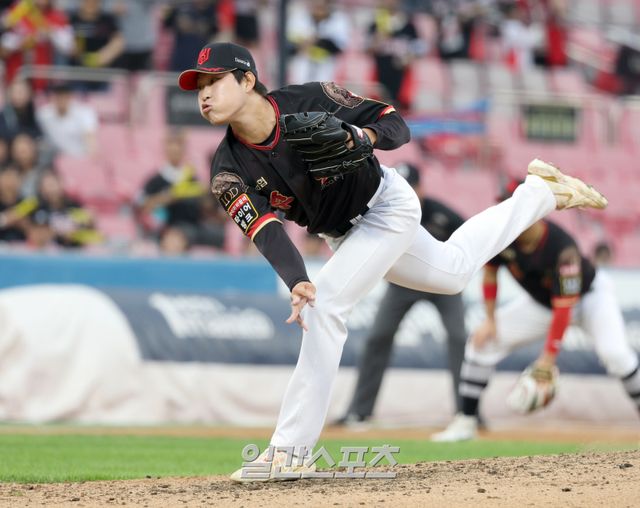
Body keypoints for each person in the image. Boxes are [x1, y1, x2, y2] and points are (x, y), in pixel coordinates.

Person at [177, 41, 607, 481]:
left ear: (248, 80)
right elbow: (265, 230)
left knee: (325, 308)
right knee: (454, 271)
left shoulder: (311, 99)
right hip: (342, 235)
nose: (204, 94)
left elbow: (395, 123)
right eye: (198, 87)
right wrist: (296, 278)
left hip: (386, 205)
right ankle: (539, 193)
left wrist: (362, 137)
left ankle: (290, 451)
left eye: (214, 81)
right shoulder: (227, 171)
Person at [431, 180, 639, 442]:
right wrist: (490, 320)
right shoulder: (504, 236)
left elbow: (564, 309)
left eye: (517, 206)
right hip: (542, 304)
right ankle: (466, 421)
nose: (510, 212)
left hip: (590, 298)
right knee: (482, 342)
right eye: (508, 205)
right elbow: (491, 275)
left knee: (617, 355)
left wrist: (547, 359)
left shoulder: (562, 249)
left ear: (535, 210)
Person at [334, 162, 468, 427]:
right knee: (377, 338)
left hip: (442, 285)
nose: (408, 191)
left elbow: (466, 245)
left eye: (412, 186)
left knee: (459, 337)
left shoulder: (443, 214)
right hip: (403, 286)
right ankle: (359, 412)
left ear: (421, 188)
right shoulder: (386, 212)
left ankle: (468, 413)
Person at [134, 129, 225, 254]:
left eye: (179, 144)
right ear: (165, 148)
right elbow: (141, 207)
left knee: (220, 235)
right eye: (172, 144)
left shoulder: (192, 178)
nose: (175, 149)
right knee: (175, 239)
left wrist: (206, 196)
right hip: (170, 227)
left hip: (195, 227)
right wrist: (171, 195)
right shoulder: (155, 180)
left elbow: (206, 210)